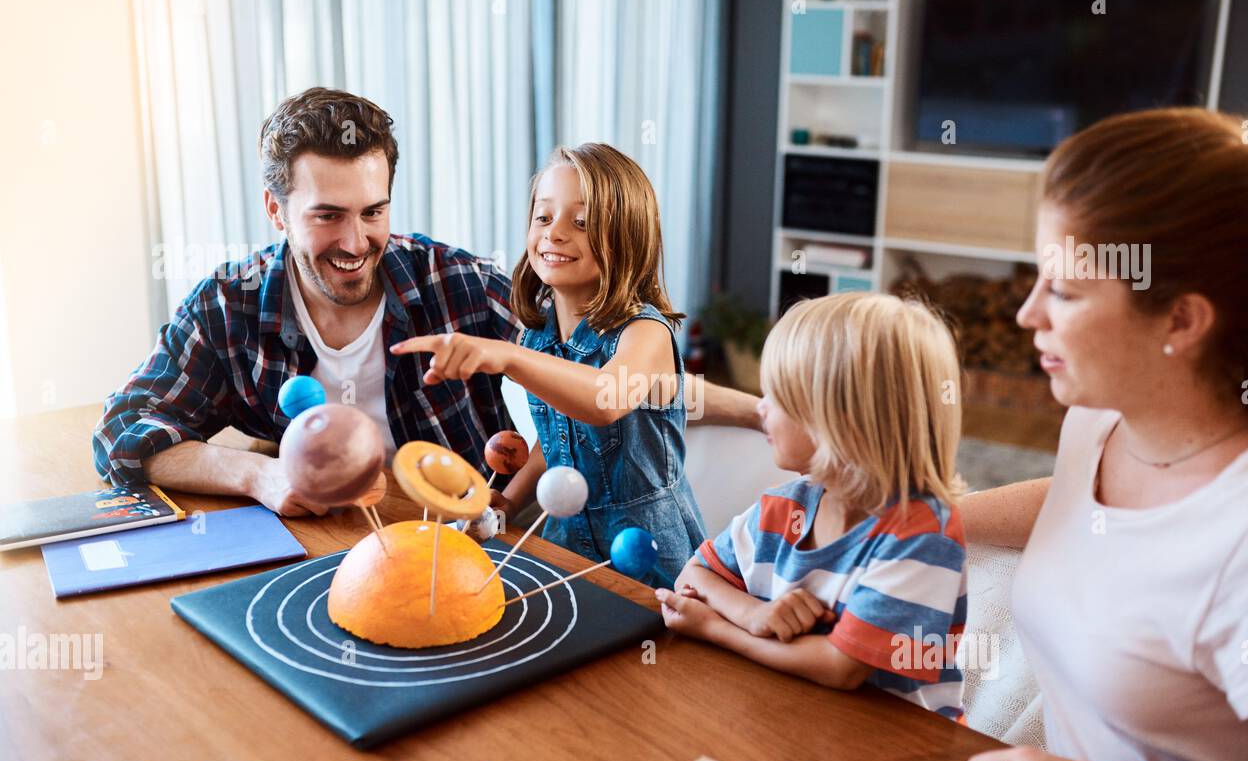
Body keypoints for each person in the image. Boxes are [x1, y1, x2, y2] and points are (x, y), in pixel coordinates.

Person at [94, 90, 761, 517]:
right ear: (276, 209)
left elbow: (633, 382)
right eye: (327, 215)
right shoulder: (230, 306)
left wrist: (759, 409)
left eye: (373, 211)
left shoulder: (461, 286)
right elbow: (124, 435)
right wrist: (256, 475)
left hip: (459, 551)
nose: (355, 242)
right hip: (318, 548)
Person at [959, 108, 1248, 761]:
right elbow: (1096, 517)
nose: (1025, 315)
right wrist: (929, 516)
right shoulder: (1102, 417)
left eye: (1067, 293)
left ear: (1180, 319)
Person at [392, 144, 706, 586]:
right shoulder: (537, 334)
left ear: (628, 237)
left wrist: (509, 357)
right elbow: (560, 439)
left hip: (650, 553)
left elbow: (603, 401)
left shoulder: (646, 333)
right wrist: (507, 500)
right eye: (543, 217)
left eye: (582, 222)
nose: (555, 233)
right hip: (564, 542)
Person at [653, 293, 968, 716]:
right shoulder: (784, 507)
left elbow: (840, 667)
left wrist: (716, 629)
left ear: (839, 419)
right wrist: (752, 615)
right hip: (795, 716)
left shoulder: (922, 533)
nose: (759, 408)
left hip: (895, 757)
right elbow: (695, 574)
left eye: (776, 396)